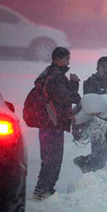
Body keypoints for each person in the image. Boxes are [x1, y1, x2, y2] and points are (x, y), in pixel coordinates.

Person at [33, 47, 81, 200]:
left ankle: (45, 189)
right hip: (52, 124)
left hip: (47, 123)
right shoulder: (56, 76)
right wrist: (74, 84)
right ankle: (42, 190)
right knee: (53, 158)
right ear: (59, 58)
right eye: (67, 58)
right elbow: (68, 98)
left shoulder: (48, 73)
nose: (69, 62)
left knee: (49, 158)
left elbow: (61, 97)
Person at [73, 56, 107, 173]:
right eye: (104, 67)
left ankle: (92, 168)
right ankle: (86, 164)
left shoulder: (106, 83)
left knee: (105, 153)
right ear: (98, 67)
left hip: (105, 122)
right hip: (96, 123)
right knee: (100, 153)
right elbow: (91, 102)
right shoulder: (92, 82)